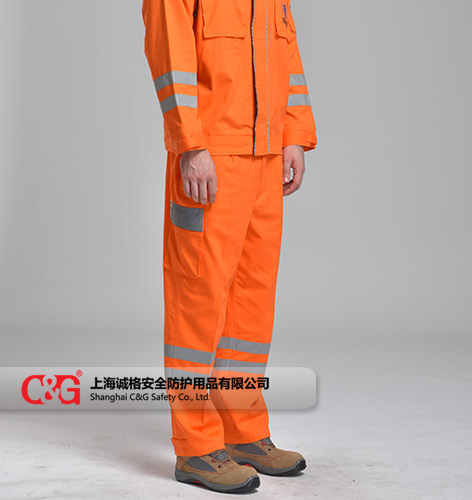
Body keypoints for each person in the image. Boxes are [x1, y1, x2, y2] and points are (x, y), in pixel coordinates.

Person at [142, 0, 317, 493]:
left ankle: (243, 432)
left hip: (266, 158)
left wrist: (294, 135)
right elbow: (170, 58)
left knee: (250, 306)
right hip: (211, 159)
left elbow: (288, 57)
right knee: (197, 304)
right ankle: (196, 447)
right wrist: (190, 145)